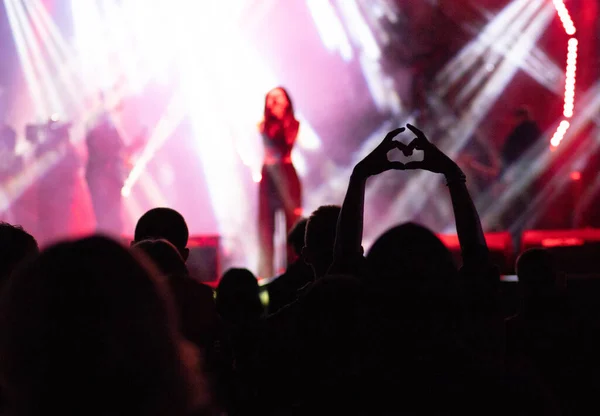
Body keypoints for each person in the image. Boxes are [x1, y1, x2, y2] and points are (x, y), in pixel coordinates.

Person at [257, 87, 302, 278]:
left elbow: (285, 146)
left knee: (291, 226)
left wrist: (282, 122)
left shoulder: (294, 124)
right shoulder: (262, 125)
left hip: (287, 174)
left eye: (279, 97)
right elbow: (269, 149)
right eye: (272, 98)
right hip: (268, 178)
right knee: (267, 228)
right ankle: (266, 273)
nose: (275, 101)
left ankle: (292, 271)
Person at [85, 106, 127, 236]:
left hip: (109, 179)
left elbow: (121, 149)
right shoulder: (96, 135)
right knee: (105, 215)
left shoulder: (101, 133)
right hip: (103, 179)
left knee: (111, 216)